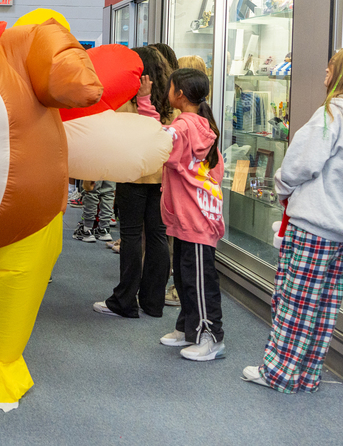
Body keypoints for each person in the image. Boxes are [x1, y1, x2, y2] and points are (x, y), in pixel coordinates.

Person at [243, 50, 343, 392]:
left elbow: (301, 164)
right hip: (338, 232)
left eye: (329, 70)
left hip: (313, 224)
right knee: (324, 306)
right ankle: (308, 374)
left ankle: (280, 373)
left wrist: (282, 185)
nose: (324, 76)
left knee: (295, 302)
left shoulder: (331, 114)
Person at [142, 68, 227, 361]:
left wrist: (144, 102)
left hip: (195, 219)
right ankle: (189, 328)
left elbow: (156, 140)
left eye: (170, 87)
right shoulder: (201, 124)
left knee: (199, 280)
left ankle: (210, 337)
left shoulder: (184, 127)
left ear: (179, 94)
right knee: (184, 276)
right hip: (190, 217)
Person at [94, 47, 174, 319]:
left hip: (133, 176)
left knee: (131, 236)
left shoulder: (129, 104)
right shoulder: (171, 106)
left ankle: (125, 300)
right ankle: (153, 302)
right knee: (158, 236)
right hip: (162, 178)